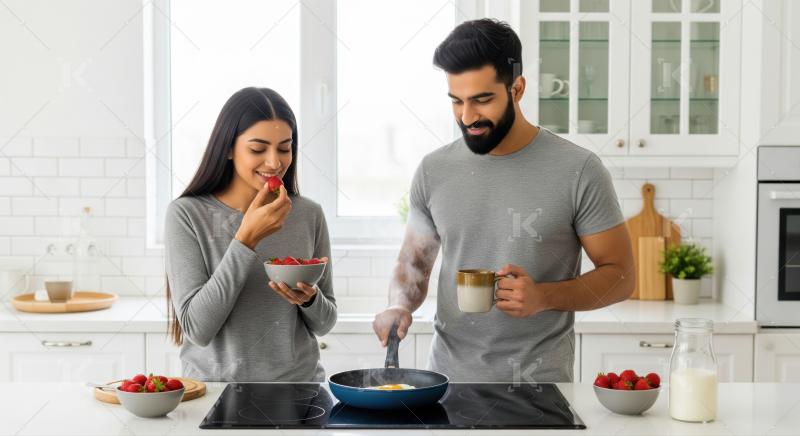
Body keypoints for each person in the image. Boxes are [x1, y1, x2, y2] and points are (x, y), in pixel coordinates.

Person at [372, 19, 634, 382]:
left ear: (518, 88)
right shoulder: (434, 170)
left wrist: (543, 296)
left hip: (540, 390)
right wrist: (398, 304)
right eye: (456, 101)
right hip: (448, 387)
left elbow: (621, 276)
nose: (467, 117)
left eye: (482, 100)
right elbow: (413, 265)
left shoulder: (579, 170)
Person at [165, 87, 336, 382]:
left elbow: (325, 322)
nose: (274, 162)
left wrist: (309, 299)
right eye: (258, 149)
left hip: (298, 390)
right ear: (228, 148)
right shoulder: (187, 214)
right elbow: (197, 329)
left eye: (284, 148)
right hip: (216, 393)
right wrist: (246, 239)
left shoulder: (308, 214)